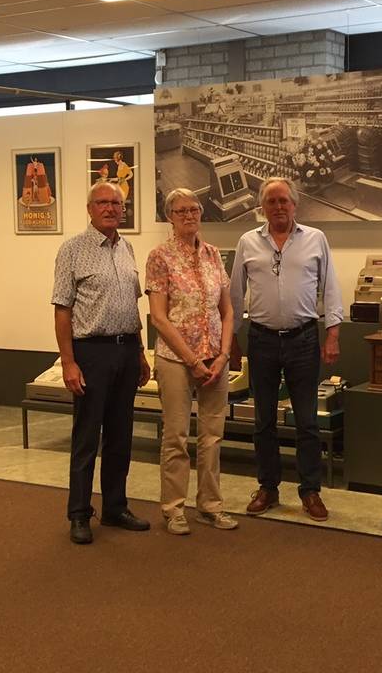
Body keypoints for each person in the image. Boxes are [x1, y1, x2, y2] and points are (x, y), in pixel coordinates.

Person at [229, 177, 343, 522]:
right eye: (271, 201)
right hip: (261, 339)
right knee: (263, 420)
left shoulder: (315, 240)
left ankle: (310, 491)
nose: (278, 207)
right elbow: (235, 294)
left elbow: (331, 288)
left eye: (284, 201)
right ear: (262, 207)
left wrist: (333, 334)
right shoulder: (248, 241)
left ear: (295, 204)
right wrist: (232, 338)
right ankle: (268, 487)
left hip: (304, 339)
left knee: (307, 420)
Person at [51, 181, 152, 545]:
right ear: (90, 208)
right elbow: (62, 310)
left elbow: (132, 307)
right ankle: (79, 513)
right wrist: (68, 362)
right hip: (90, 352)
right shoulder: (72, 250)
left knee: (121, 436)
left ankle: (114, 507)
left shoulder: (127, 248)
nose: (110, 208)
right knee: (86, 438)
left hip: (126, 351)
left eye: (116, 203)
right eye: (103, 202)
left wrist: (140, 352)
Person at [145, 188, 237, 536]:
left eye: (194, 209)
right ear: (169, 216)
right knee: (177, 436)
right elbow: (159, 318)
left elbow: (226, 310)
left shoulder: (214, 255)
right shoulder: (160, 257)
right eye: (181, 210)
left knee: (213, 436)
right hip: (176, 360)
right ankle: (174, 508)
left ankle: (211, 506)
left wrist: (224, 353)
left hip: (216, 357)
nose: (189, 216)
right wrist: (192, 360)